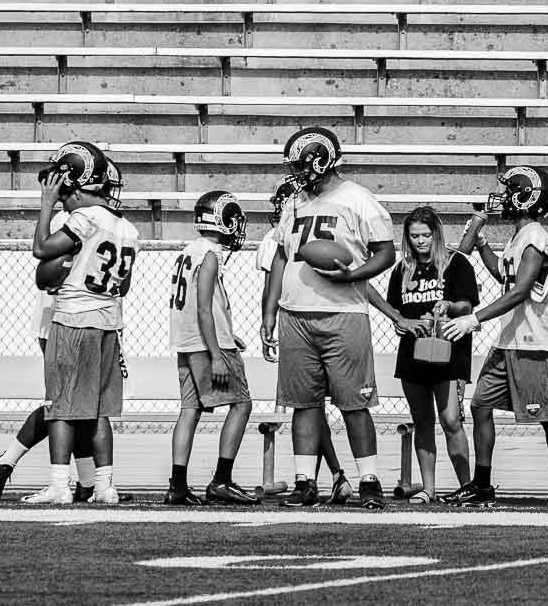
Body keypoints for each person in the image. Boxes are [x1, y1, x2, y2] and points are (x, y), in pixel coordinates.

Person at [261, 126, 397, 510]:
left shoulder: (357, 199)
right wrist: (269, 310)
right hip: (295, 315)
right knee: (303, 404)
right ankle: (305, 482)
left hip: (343, 313)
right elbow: (281, 257)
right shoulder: (296, 203)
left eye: (301, 166)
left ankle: (369, 480)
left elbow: (385, 253)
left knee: (354, 403)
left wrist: (353, 275)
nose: (297, 174)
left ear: (320, 161)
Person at [445, 166, 548, 509]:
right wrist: (483, 244)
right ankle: (482, 485)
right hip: (509, 339)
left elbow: (520, 291)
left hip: (534, 341)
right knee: (480, 405)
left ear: (525, 197)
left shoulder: (535, 238)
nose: (501, 196)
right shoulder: (520, 237)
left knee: (547, 417)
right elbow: (504, 274)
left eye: (509, 190)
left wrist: (475, 318)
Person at [0, 188, 116, 504]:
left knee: (76, 404)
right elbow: (47, 272)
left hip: (84, 317)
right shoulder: (69, 219)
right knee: (65, 403)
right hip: (59, 316)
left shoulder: (97, 220)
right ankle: (8, 463)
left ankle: (78, 479)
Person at [29, 141, 139, 505]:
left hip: (74, 318)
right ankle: (105, 486)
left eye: (63, 193)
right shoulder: (127, 228)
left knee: (59, 406)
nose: (61, 199)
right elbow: (122, 284)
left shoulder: (84, 217)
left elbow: (42, 249)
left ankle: (60, 484)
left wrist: (45, 206)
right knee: (98, 411)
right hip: (108, 322)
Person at [363, 206, 476, 503]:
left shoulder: (456, 263)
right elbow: (398, 312)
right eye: (414, 236)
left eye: (426, 235)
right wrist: (401, 325)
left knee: (451, 419)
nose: (421, 241)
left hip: (449, 353)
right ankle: (429, 488)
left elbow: (467, 307)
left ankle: (467, 486)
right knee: (422, 420)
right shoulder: (402, 269)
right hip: (413, 354)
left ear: (436, 234)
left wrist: (448, 306)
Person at [256, 177, 349, 502]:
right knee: (311, 407)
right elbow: (273, 283)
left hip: (314, 321)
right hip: (296, 320)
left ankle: (329, 477)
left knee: (312, 407)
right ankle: (332, 476)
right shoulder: (277, 238)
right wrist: (268, 319)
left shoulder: (303, 230)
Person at [166, 190, 261, 505]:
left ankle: (177, 486)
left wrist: (227, 334)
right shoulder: (210, 255)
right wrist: (218, 353)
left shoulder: (189, 251)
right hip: (209, 346)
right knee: (242, 404)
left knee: (189, 410)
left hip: (188, 343)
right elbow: (204, 308)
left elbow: (198, 306)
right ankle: (221, 480)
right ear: (222, 220)